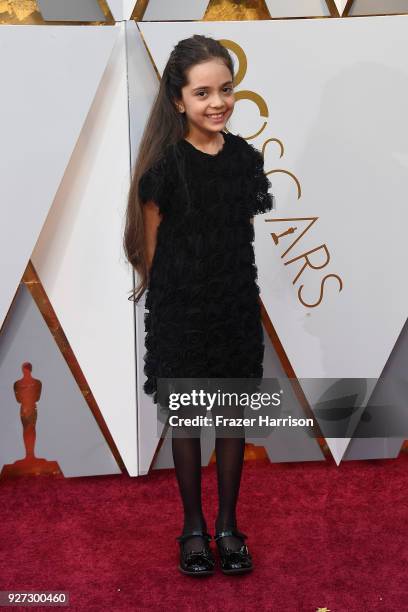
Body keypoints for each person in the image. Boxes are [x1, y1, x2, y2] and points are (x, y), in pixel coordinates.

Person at [123, 34, 274, 577]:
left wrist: (228, 291)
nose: (218, 102)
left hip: (234, 310)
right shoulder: (164, 168)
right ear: (178, 100)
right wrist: (180, 297)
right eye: (203, 92)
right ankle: (192, 528)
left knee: (231, 421)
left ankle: (228, 526)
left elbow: (238, 239)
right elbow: (150, 252)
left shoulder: (244, 161)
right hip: (181, 314)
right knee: (187, 422)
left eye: (226, 89)